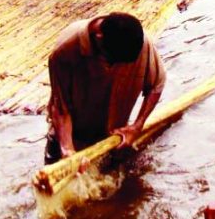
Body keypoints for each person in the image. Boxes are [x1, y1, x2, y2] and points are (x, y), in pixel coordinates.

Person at [45, 12, 165, 164]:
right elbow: (61, 108)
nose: (114, 67)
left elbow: (157, 84)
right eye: (111, 61)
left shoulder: (141, 44)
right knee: (53, 177)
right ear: (98, 38)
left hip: (113, 136)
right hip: (72, 134)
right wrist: (67, 149)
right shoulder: (64, 51)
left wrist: (137, 126)